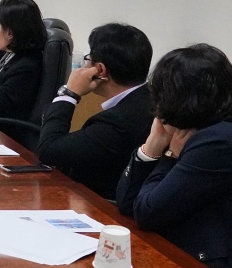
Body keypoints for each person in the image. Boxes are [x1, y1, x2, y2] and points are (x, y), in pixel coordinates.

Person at [116, 43, 232, 268]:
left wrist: (169, 156)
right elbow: (127, 204)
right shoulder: (207, 134)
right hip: (208, 259)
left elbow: (147, 213)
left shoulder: (217, 144)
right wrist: (151, 148)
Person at [35, 23, 155, 201]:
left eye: (88, 59)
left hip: (100, 206)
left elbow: (49, 151)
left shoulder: (118, 122)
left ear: (100, 70)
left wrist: (69, 94)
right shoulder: (149, 99)